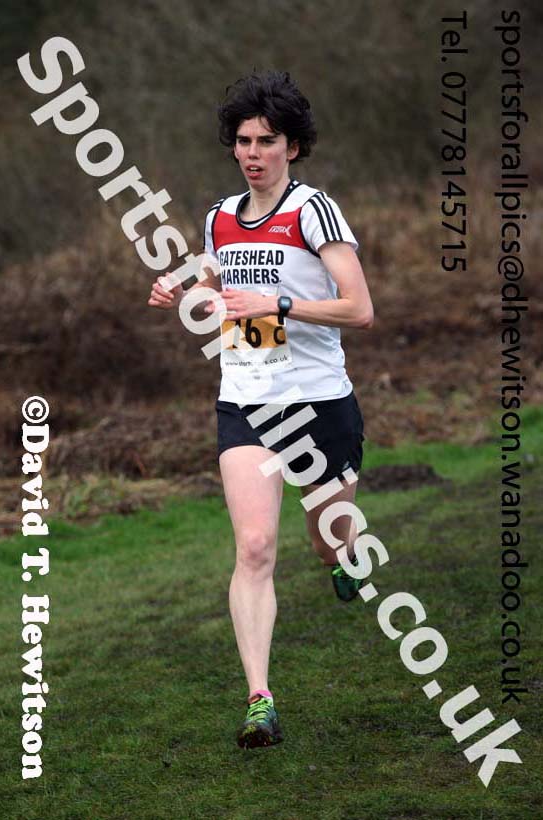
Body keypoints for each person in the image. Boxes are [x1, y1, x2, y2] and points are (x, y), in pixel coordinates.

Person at [148, 70, 374, 750]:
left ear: (292, 147)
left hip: (319, 397)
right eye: (242, 141)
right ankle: (259, 700)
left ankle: (342, 557)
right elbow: (222, 280)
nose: (252, 152)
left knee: (328, 535)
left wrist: (278, 305)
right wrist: (182, 283)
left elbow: (359, 310)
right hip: (248, 399)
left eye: (266, 141)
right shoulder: (219, 216)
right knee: (253, 548)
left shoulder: (314, 211)